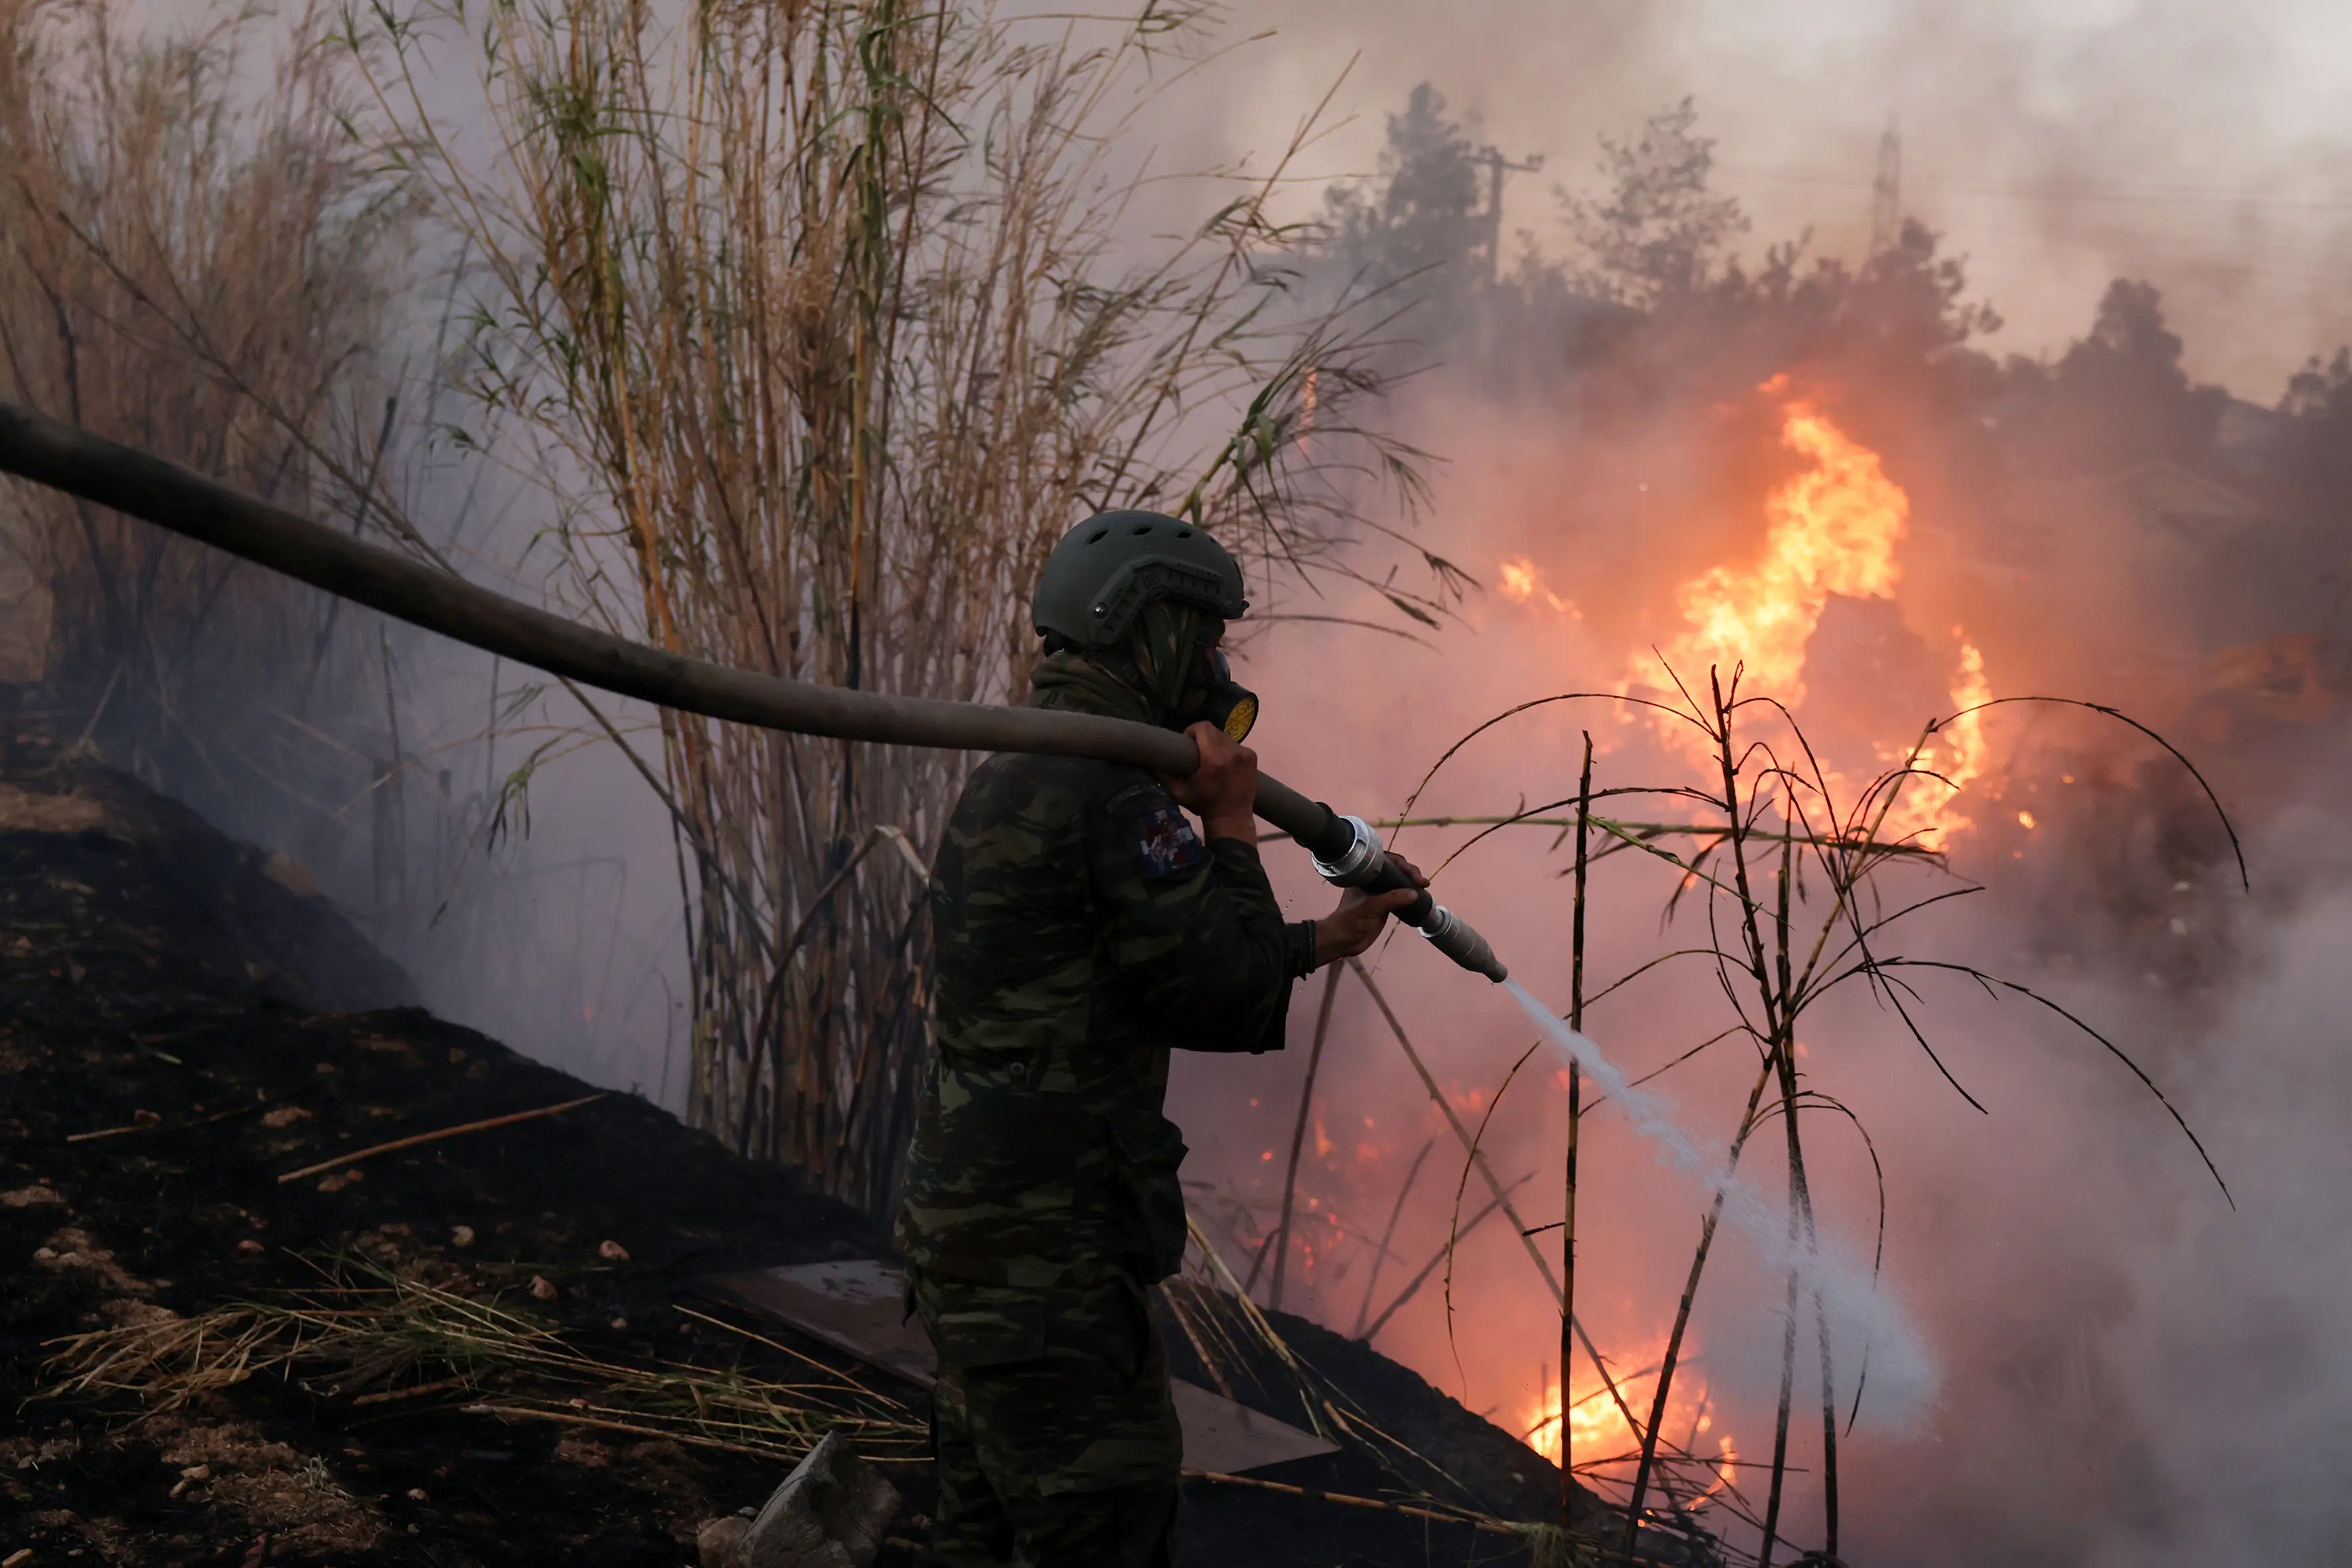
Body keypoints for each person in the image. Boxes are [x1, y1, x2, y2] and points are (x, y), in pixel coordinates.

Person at [894, 510, 1425, 1567]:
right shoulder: (1106, 791)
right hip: (1052, 1264)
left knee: (983, 1533)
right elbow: (1216, 991)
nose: (1215, 669)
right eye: (1204, 639)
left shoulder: (1023, 771)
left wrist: (1321, 938)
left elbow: (1141, 956)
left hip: (979, 1238)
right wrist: (1229, 820)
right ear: (1151, 631)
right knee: (1106, 1527)